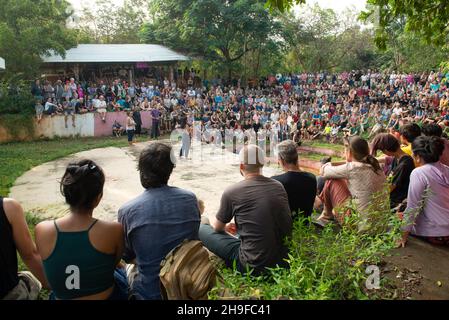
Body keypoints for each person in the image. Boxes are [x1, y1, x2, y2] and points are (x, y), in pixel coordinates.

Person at [35, 160, 127, 300]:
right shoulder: (113, 230)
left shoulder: (42, 230)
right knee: (123, 274)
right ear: (98, 198)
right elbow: (113, 263)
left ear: (67, 195)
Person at [118, 143, 200, 300]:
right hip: (187, 286)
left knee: (124, 270)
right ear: (170, 170)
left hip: (151, 293)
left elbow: (128, 256)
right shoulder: (190, 198)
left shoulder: (127, 210)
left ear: (141, 172)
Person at [199, 145, 292, 275]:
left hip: (251, 266)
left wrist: (225, 228)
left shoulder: (232, 191)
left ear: (241, 166)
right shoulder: (278, 186)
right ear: (263, 163)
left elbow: (218, 228)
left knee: (202, 228)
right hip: (283, 262)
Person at [317, 136, 387, 226]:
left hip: (358, 226)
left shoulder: (352, 168)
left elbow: (323, 171)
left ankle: (327, 214)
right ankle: (327, 213)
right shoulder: (376, 166)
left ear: (349, 152)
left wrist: (331, 163)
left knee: (332, 180)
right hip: (380, 226)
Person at [399, 136, 449, 247]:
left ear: (418, 156)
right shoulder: (446, 169)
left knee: (397, 218)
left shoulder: (419, 173)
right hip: (445, 229)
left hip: (436, 233)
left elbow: (413, 207)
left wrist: (402, 236)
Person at [1, 197, 48, 300]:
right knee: (29, 279)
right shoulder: (8, 207)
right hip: (8, 294)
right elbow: (30, 256)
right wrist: (56, 287)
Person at [272, 140, 317, 219]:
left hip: (285, 228)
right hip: (304, 225)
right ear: (296, 157)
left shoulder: (276, 181)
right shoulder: (312, 178)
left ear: (281, 160)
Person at [371, 133, 415, 209]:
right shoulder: (397, 158)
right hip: (394, 200)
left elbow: (390, 188)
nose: (384, 153)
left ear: (386, 150)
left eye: (382, 151)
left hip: (399, 204)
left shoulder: (404, 164)